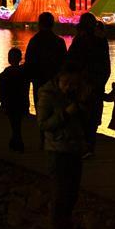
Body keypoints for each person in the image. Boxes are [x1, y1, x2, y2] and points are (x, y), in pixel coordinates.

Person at [37, 61, 87, 229]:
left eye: (74, 84)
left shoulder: (74, 95)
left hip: (74, 148)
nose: (71, 87)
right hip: (57, 150)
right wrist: (65, 114)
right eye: (67, 83)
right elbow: (43, 124)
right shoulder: (47, 95)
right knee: (60, 193)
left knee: (72, 193)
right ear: (60, 79)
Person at [66, 12, 110, 157]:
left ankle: (83, 145)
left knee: (81, 115)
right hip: (96, 84)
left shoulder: (80, 40)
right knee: (93, 118)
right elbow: (106, 66)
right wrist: (101, 82)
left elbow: (71, 61)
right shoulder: (101, 41)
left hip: (82, 84)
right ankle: (90, 146)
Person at [25, 12, 67, 146]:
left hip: (39, 81)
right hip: (55, 82)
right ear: (52, 24)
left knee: (41, 111)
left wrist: (30, 78)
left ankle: (43, 139)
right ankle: (55, 138)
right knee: (56, 110)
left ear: (39, 24)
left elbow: (29, 62)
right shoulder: (59, 42)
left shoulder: (34, 41)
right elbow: (64, 63)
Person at [0, 47, 30, 152]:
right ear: (20, 58)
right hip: (21, 102)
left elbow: (2, 91)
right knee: (18, 122)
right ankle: (16, 140)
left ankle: (16, 140)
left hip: (10, 103)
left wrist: (2, 102)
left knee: (14, 122)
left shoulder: (4, 74)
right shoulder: (24, 73)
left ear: (9, 59)